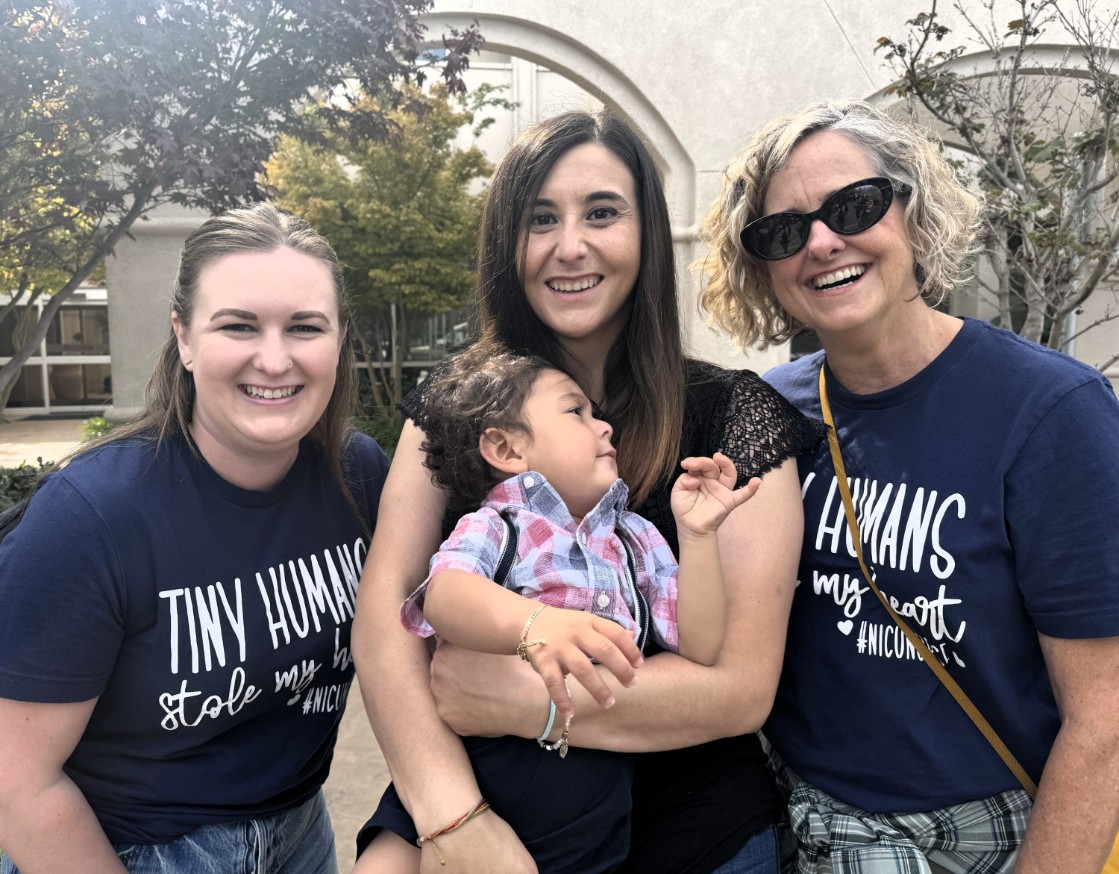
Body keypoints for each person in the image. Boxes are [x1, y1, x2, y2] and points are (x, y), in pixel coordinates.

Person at [352, 108, 823, 874]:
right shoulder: (458, 408)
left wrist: (526, 703)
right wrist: (451, 819)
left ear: (644, 232)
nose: (568, 246)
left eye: (601, 212)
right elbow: (386, 622)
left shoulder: (738, 418)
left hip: (698, 837)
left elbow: (737, 688)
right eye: (540, 218)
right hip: (493, 821)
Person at [697, 97, 1119, 873]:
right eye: (782, 232)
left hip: (988, 831)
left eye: (853, 206)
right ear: (761, 267)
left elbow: (1104, 718)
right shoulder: (763, 411)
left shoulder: (1051, 412)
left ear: (913, 214)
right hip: (796, 817)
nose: (822, 243)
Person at [0, 203, 390, 873]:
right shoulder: (92, 516)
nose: (275, 358)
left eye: (305, 327)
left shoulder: (358, 475)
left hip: (301, 829)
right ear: (183, 338)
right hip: (130, 849)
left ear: (339, 340)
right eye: (238, 325)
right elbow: (15, 782)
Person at [358, 345, 761, 872]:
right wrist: (534, 624)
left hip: (586, 808)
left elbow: (703, 646)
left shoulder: (634, 539)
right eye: (577, 412)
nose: (604, 427)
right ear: (505, 448)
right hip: (481, 764)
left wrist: (698, 537)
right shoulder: (500, 524)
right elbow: (446, 594)